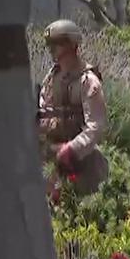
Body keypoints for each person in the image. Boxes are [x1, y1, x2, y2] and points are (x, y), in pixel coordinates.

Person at [37, 20, 108, 202]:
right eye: (50, 44)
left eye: (57, 43)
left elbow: (96, 126)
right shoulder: (51, 79)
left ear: (71, 45)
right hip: (54, 160)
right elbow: (44, 112)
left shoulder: (88, 81)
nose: (52, 49)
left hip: (83, 161)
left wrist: (71, 149)